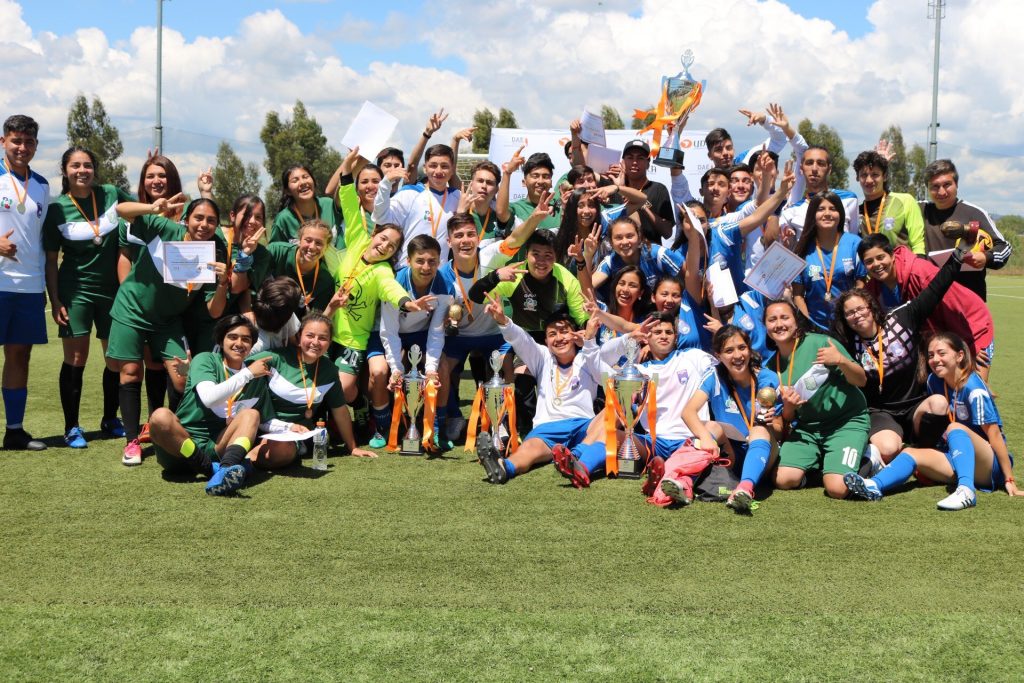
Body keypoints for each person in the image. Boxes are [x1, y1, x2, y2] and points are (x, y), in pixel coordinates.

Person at [112, 196, 231, 465]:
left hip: (167, 320)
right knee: (130, 373)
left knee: (181, 379)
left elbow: (214, 311)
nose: (204, 224)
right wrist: (153, 208)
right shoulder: (165, 229)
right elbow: (121, 210)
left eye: (211, 220)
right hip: (132, 309)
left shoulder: (215, 251)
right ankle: (132, 441)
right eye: (198, 218)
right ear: (186, 219)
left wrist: (223, 283)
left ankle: (176, 435)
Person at [845, 332, 1021, 510]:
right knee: (911, 454)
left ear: (960, 356)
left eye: (942, 353)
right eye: (931, 355)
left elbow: (995, 435)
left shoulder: (974, 389)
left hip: (989, 466)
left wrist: (1009, 478)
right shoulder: (934, 381)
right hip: (957, 458)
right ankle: (874, 485)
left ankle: (967, 490)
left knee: (954, 427)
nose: (935, 359)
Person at [829, 245, 967, 464]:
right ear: (845, 319)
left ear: (871, 307)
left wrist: (957, 258)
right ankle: (897, 452)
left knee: (939, 403)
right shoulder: (846, 342)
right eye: (850, 313)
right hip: (880, 411)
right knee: (888, 448)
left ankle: (924, 452)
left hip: (915, 406)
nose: (857, 315)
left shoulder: (902, 318)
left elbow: (934, 290)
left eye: (861, 308)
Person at [43, 146, 133, 448]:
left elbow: (139, 211)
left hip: (113, 291)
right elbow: (51, 259)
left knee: (115, 358)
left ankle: (110, 419)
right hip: (75, 291)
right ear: (65, 171)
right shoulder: (57, 208)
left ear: (95, 169)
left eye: (87, 165)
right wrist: (55, 300)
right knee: (76, 357)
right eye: (75, 165)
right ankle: (72, 427)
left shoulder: (110, 193)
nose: (82, 170)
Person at [478, 300, 608, 488]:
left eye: (564, 331)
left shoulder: (588, 357)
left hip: (584, 426)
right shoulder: (543, 358)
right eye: (552, 334)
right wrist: (503, 320)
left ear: (574, 335)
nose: (559, 338)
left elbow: (609, 380)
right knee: (529, 449)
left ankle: (575, 457)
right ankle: (504, 467)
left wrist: (589, 342)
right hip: (548, 428)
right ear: (546, 341)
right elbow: (521, 340)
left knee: (612, 410)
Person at [599, 313, 716, 506]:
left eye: (669, 332)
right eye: (657, 332)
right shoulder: (638, 371)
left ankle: (670, 482)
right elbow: (601, 359)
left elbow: (721, 368)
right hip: (654, 443)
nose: (664, 335)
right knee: (609, 434)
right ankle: (583, 465)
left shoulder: (694, 357)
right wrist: (630, 337)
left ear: (676, 337)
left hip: (689, 441)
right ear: (647, 337)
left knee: (712, 432)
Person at [149, 315, 272, 496]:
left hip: (216, 447)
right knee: (160, 416)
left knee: (251, 415)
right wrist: (247, 374)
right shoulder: (206, 360)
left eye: (246, 339)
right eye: (232, 337)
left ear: (252, 346)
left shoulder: (256, 376)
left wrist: (293, 428)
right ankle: (210, 470)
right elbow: (209, 398)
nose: (239, 343)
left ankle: (226, 469)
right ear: (221, 341)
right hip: (179, 447)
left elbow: (266, 420)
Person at [764, 299, 869, 499]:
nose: (779, 324)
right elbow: (786, 418)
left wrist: (841, 360)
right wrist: (789, 407)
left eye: (785, 317)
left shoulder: (821, 343)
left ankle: (868, 458)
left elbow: (861, 380)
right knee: (782, 479)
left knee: (837, 489)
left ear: (796, 321)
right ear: (766, 326)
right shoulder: (770, 368)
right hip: (808, 429)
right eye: (772, 319)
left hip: (846, 423)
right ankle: (826, 464)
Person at [859, 233, 995, 383]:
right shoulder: (872, 290)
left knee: (973, 389)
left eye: (880, 257)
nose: (876, 264)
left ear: (891, 255)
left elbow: (957, 310)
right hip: (935, 343)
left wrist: (971, 346)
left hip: (973, 328)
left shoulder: (921, 273)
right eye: (869, 261)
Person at [324, 221, 433, 405]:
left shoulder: (383, 271)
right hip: (326, 329)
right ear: (374, 234)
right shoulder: (357, 242)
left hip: (353, 339)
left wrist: (406, 302)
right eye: (383, 239)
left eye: (392, 246)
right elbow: (350, 207)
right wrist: (344, 189)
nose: (384, 246)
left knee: (344, 390)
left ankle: (360, 404)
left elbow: (390, 288)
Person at [255, 311, 376, 466]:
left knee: (281, 451)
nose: (316, 342)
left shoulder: (330, 371)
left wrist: (352, 447)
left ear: (330, 342)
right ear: (299, 337)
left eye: (323, 338)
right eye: (310, 335)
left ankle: (243, 462)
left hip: (296, 434)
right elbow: (240, 368)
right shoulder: (276, 358)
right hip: (262, 425)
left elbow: (340, 411)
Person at [682, 325, 782, 513]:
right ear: (718, 355)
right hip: (732, 454)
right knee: (709, 427)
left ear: (749, 349)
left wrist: (772, 421)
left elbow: (780, 430)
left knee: (758, 429)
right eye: (729, 350)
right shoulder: (715, 376)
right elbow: (688, 412)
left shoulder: (766, 378)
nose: (737, 355)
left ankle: (745, 488)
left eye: (742, 348)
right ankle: (682, 480)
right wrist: (704, 437)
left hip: (763, 454)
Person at [368, 235, 450, 449]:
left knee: (442, 367)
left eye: (432, 261)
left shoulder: (444, 285)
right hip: (388, 332)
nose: (426, 267)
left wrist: (430, 369)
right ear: (408, 261)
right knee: (379, 372)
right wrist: (396, 368)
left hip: (421, 334)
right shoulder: (394, 283)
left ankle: (436, 427)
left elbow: (436, 332)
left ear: (439, 261)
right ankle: (384, 426)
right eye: (420, 261)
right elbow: (389, 331)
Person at [0, 114, 49, 451]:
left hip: (29, 285)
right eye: (16, 140)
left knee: (19, 356)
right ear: (3, 141)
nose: (22, 147)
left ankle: (14, 431)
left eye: (28, 142)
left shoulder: (43, 185)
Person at [918, 159, 1012, 301]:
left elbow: (1004, 247)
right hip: (930, 301)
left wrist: (986, 257)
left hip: (969, 300)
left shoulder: (975, 213)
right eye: (935, 186)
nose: (941, 191)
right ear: (928, 189)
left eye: (947, 184)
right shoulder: (919, 210)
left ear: (956, 184)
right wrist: (882, 164)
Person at [372, 144, 462, 266]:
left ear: (452, 170)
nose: (439, 171)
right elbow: (381, 218)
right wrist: (385, 183)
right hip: (406, 270)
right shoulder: (409, 193)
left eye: (444, 166)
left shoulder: (458, 197)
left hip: (438, 273)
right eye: (433, 165)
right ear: (425, 168)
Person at [791, 191, 866, 331]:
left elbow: (861, 284)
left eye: (833, 209)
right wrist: (809, 326)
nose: (827, 213)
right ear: (813, 215)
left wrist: (852, 314)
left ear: (841, 214)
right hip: (815, 326)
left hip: (850, 324)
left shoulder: (854, 243)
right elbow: (798, 295)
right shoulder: (803, 248)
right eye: (821, 209)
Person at [853, 149, 925, 254]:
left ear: (885, 176)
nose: (869, 180)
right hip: (870, 269)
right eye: (864, 175)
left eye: (875, 175)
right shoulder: (856, 212)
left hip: (902, 269)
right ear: (857, 177)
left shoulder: (905, 201)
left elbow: (918, 244)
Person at [590, 216, 681, 297]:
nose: (625, 242)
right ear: (611, 243)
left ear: (639, 238)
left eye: (629, 236)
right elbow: (588, 288)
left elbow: (688, 276)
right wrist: (587, 255)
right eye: (619, 238)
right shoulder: (610, 262)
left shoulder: (657, 254)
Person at [269, 164, 341, 244]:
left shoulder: (329, 205)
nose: (302, 182)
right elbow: (275, 251)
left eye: (305, 177)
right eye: (295, 181)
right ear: (287, 191)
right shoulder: (283, 219)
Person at [618, 139, 674, 242]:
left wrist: (642, 204)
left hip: (650, 254)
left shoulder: (659, 189)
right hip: (621, 253)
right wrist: (620, 189)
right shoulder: (616, 188)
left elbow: (667, 233)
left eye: (640, 158)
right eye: (630, 158)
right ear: (623, 162)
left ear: (648, 164)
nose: (634, 162)